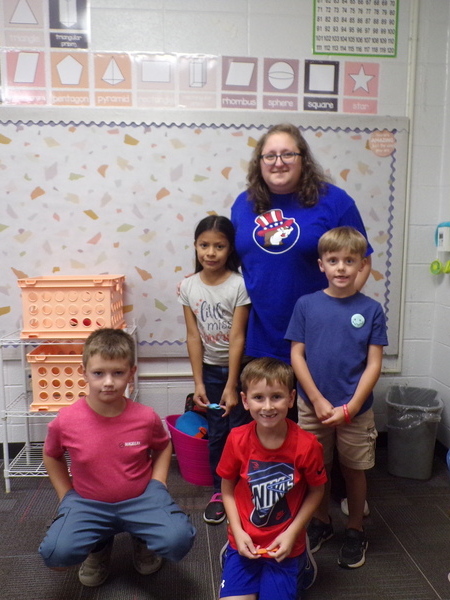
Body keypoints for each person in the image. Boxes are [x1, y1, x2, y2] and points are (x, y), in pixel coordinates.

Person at [38, 328, 196, 587]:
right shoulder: (65, 421)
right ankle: (98, 547)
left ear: (131, 373)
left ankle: (143, 538)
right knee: (56, 555)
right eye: (99, 373)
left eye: (118, 373)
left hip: (141, 498)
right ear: (84, 372)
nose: (108, 382)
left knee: (178, 541)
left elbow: (163, 446)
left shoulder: (145, 417)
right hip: (88, 503)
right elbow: (52, 455)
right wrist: (66, 495)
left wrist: (158, 484)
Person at [286, 227, 388, 570]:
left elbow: (374, 363)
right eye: (334, 260)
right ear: (321, 265)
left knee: (354, 470)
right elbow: (297, 356)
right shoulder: (306, 305)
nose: (342, 267)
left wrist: (353, 406)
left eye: (350, 261)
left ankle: (355, 529)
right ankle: (322, 523)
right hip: (313, 406)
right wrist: (315, 399)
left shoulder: (372, 310)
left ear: (362, 266)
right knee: (317, 468)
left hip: (355, 409)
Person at [231, 123, 374, 366]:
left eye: (288, 154)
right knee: (266, 406)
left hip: (318, 340)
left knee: (317, 405)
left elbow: (363, 262)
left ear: (303, 160)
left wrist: (337, 311)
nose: (278, 162)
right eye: (270, 156)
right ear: (259, 162)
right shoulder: (243, 204)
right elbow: (233, 262)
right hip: (259, 341)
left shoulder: (335, 201)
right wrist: (204, 277)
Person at [217, 357, 326, 600]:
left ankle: (302, 560)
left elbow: (317, 491)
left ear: (291, 398)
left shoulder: (308, 446)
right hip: (243, 540)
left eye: (276, 396)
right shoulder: (236, 439)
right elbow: (227, 488)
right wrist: (237, 530)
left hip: (284, 544)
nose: (268, 407)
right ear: (245, 400)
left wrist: (293, 533)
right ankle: (231, 552)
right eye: (258, 398)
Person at [179, 215, 252, 525]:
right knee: (218, 433)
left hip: (240, 371)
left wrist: (233, 385)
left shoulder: (239, 284)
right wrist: (198, 382)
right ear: (195, 247)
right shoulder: (188, 286)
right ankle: (219, 492)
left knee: (242, 430)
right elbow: (193, 336)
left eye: (219, 246)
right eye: (204, 245)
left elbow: (238, 337)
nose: (210, 252)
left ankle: (246, 489)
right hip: (209, 372)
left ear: (229, 249)